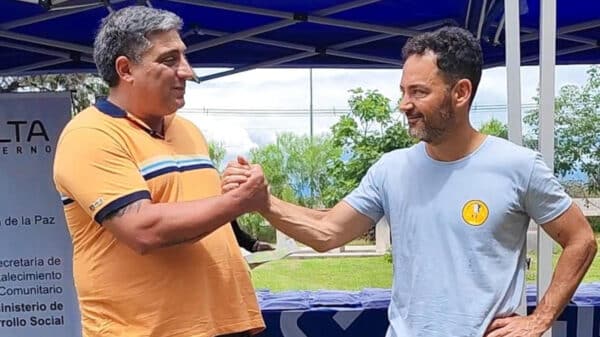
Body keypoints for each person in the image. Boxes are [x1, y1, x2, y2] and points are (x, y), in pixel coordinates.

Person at [222, 26, 597, 337]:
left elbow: (580, 239)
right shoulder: (391, 169)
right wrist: (263, 203)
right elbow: (327, 231)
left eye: (419, 92)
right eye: (403, 91)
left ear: (461, 92)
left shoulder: (517, 166)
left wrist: (540, 319)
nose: (404, 104)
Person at [53, 6, 266, 337]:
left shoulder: (189, 131)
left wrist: (230, 190)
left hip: (225, 325)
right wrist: (238, 201)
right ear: (125, 69)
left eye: (184, 57)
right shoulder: (89, 135)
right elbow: (144, 229)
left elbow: (202, 216)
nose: (188, 71)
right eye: (170, 60)